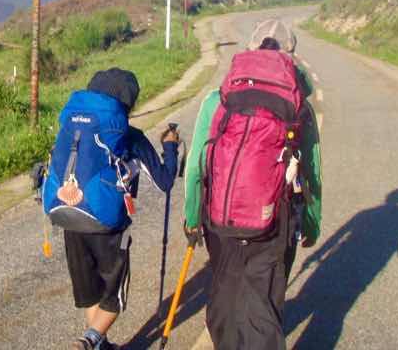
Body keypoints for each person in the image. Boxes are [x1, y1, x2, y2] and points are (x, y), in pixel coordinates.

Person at [182, 20, 322, 350]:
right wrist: (312, 223)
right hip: (276, 218)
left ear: (250, 50)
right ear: (291, 57)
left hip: (220, 215)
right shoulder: (300, 107)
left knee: (225, 295)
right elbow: (311, 172)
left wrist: (191, 218)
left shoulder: (218, 99)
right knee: (262, 304)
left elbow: (196, 168)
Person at [44, 68, 180, 350]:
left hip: (70, 218)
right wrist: (170, 148)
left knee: (91, 290)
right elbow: (165, 181)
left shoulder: (71, 128)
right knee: (113, 299)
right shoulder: (131, 137)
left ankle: (100, 344)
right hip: (109, 227)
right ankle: (87, 342)